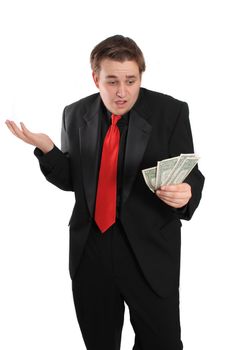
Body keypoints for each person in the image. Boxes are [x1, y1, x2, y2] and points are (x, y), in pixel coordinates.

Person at [5, 35, 205, 350]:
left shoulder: (171, 111)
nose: (122, 91)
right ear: (95, 77)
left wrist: (187, 193)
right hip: (91, 252)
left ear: (141, 76)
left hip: (149, 254)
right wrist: (47, 149)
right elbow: (75, 179)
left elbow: (190, 172)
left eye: (130, 80)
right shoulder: (74, 113)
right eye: (112, 81)